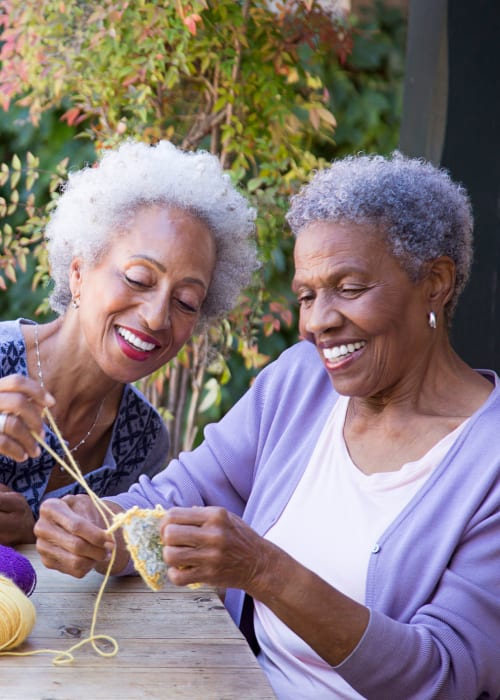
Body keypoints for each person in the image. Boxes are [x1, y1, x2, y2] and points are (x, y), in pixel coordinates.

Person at [35, 152, 500, 700]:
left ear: (435, 283)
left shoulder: (487, 462)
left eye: (349, 288)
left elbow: (444, 677)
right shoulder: (299, 384)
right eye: (307, 295)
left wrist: (264, 571)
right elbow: (167, 501)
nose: (318, 322)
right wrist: (98, 527)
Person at [0, 139, 257, 546]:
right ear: (79, 273)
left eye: (186, 301)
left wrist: (35, 534)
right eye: (138, 279)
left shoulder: (142, 441)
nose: (157, 317)